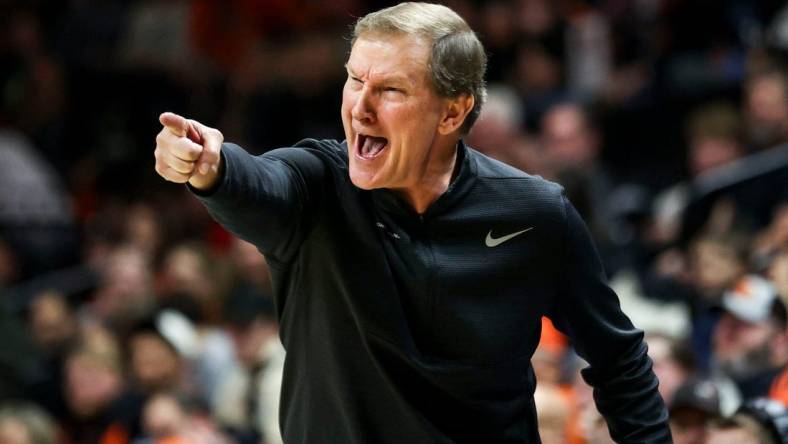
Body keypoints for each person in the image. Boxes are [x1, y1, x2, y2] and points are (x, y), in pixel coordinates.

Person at [153, 3, 670, 442]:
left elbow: (620, 361)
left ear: (452, 113)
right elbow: (259, 185)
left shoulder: (534, 213)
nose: (360, 107)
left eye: (391, 90)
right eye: (355, 79)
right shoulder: (317, 184)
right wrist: (210, 168)